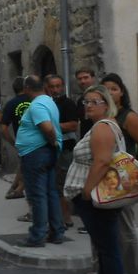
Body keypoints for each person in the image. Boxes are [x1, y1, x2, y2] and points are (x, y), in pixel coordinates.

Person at [78, 72, 138, 274]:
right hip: (100, 179)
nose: (111, 92)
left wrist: (137, 171)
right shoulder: (97, 117)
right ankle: (97, 273)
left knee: (124, 230)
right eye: (106, 89)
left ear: (121, 92)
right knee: (97, 230)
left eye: (115, 88)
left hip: (119, 180)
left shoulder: (127, 117)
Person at [63, 85, 124, 274]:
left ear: (106, 105)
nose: (88, 105)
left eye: (94, 102)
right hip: (94, 197)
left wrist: (87, 191)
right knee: (103, 247)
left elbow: (102, 162)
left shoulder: (102, 128)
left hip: (96, 197)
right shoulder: (99, 126)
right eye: (86, 101)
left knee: (108, 249)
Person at [15, 75, 65, 247]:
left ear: (27, 88)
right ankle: (56, 232)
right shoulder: (49, 101)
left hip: (36, 154)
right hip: (44, 153)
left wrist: (51, 140)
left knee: (37, 196)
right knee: (50, 193)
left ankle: (37, 236)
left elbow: (47, 127)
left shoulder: (37, 105)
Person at [45, 75, 79, 229]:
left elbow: (73, 125)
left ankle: (66, 217)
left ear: (63, 86)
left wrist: (50, 126)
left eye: (58, 86)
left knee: (62, 185)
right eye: (52, 86)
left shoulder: (68, 103)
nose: (55, 89)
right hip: (50, 149)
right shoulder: (46, 103)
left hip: (65, 150)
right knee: (53, 184)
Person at [0, 77, 31, 202]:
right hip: (37, 140)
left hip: (22, 141)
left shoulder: (11, 104)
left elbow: (3, 129)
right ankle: (18, 189)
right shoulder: (34, 100)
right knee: (28, 168)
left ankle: (16, 188)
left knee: (24, 165)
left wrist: (13, 142)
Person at [75, 67, 98, 139]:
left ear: (93, 78)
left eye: (86, 78)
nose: (83, 81)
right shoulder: (80, 101)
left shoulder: (100, 97)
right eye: (80, 79)